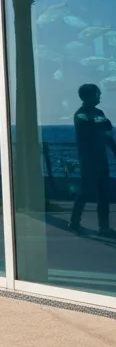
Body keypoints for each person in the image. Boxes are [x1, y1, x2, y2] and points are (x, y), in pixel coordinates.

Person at [70, 83, 116, 237]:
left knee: (103, 192)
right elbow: (99, 126)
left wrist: (114, 150)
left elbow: (107, 129)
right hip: (88, 159)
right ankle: (75, 221)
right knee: (85, 191)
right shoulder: (80, 114)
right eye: (97, 94)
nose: (99, 96)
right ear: (88, 96)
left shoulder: (97, 113)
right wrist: (100, 123)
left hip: (100, 158)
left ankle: (104, 227)